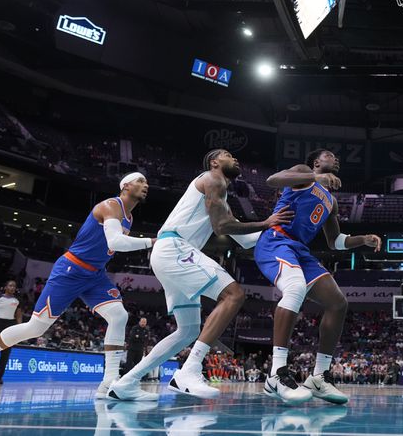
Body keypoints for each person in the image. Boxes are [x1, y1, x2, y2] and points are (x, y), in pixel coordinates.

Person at [108, 149, 292, 401]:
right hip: (175, 248)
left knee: (188, 330)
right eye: (228, 155)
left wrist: (279, 231)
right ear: (215, 162)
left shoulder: (218, 195)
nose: (235, 158)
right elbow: (222, 227)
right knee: (234, 294)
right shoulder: (213, 179)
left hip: (171, 253)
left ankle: (126, 382)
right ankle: (189, 370)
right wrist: (266, 222)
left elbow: (246, 240)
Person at [0, 173, 154, 398]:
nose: (146, 185)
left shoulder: (129, 218)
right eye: (141, 181)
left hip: (95, 275)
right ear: (125, 185)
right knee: (35, 328)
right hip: (72, 269)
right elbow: (115, 242)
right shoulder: (110, 206)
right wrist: (153, 242)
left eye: (146, 182)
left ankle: (110, 383)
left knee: (119, 316)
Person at [256, 149, 381, 405]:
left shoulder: (331, 201)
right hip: (276, 240)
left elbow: (335, 242)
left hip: (300, 250)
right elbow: (271, 180)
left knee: (338, 303)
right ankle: (276, 374)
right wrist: (314, 178)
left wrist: (363, 240)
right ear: (316, 162)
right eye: (329, 155)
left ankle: (318, 377)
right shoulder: (302, 172)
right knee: (295, 287)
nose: (336, 158)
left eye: (336, 157)